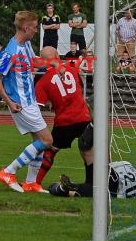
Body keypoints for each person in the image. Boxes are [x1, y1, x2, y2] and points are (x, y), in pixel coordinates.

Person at [0, 11, 53, 193]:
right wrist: (9, 103)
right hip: (21, 103)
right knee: (48, 140)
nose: (35, 31)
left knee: (38, 141)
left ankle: (31, 183)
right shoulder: (11, 51)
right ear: (26, 28)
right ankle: (8, 172)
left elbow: (34, 62)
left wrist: (55, 62)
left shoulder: (26, 44)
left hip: (30, 100)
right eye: (34, 27)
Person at [26, 46, 93, 193]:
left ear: (42, 61)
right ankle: (93, 182)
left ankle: (35, 183)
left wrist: (52, 100)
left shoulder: (42, 82)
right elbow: (76, 90)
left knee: (50, 150)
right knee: (89, 150)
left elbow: (38, 106)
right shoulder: (73, 69)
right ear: (57, 55)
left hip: (64, 121)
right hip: (83, 117)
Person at [49, 162, 136, 198]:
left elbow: (109, 165)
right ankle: (69, 189)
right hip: (112, 191)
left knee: (83, 188)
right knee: (89, 191)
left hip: (109, 175)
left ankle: (63, 188)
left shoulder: (128, 164)